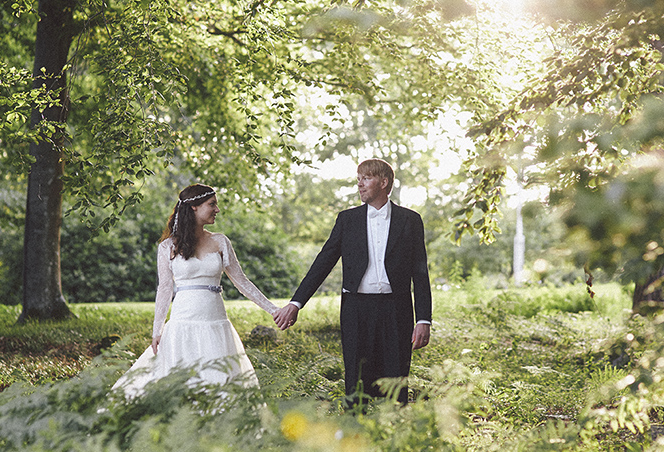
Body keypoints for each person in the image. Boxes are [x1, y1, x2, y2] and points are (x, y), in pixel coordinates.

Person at [273, 159, 431, 408]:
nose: (359, 184)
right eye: (358, 179)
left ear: (384, 182)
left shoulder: (410, 220)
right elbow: (323, 263)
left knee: (396, 382)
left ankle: (395, 438)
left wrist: (423, 319)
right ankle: (355, 437)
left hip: (396, 310)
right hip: (356, 309)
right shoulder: (347, 220)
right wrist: (296, 303)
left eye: (365, 178)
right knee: (356, 382)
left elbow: (420, 273)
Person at [114, 184, 279, 397]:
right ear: (194, 207)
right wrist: (157, 330)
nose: (217, 210)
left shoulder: (220, 241)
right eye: (212, 204)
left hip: (215, 322)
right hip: (183, 321)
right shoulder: (167, 247)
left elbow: (242, 282)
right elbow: (164, 289)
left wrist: (274, 310)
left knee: (220, 378)